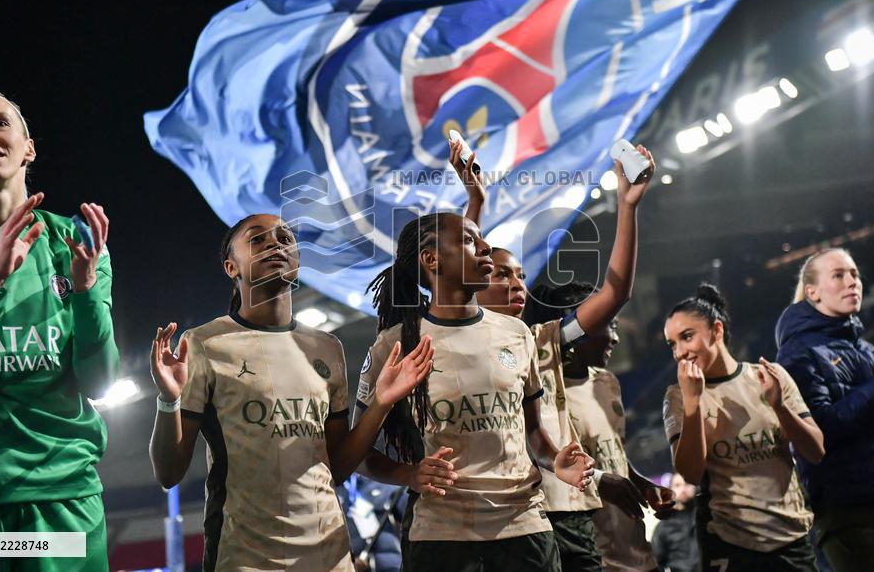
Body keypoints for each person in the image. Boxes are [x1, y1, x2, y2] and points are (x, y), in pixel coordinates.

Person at [149, 213, 433, 571]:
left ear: (297, 262)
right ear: (231, 267)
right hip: (244, 557)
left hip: (328, 556)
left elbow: (338, 466)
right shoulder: (205, 343)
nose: (275, 243)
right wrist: (169, 399)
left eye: (285, 238)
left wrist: (381, 402)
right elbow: (168, 473)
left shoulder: (327, 348)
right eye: (257, 239)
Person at [0, 89, 119, 571]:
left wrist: (86, 289)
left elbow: (99, 381)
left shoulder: (73, 241)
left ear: (27, 146)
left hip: (63, 500)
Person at [453, 136, 666, 570]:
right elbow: (459, 275)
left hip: (564, 514)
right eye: (500, 273)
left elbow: (616, 293)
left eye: (521, 276)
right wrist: (474, 203)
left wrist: (628, 206)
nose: (517, 284)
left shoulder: (539, 340)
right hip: (492, 521)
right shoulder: (450, 343)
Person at [354, 212, 595, 572]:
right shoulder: (396, 345)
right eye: (470, 240)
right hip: (441, 534)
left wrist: (554, 459)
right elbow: (356, 451)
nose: (486, 247)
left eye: (480, 237)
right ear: (431, 259)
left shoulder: (516, 333)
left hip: (524, 525)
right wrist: (408, 474)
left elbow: (532, 433)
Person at [776, 247, 874, 572]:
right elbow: (819, 432)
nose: (852, 282)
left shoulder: (867, 349)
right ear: (812, 291)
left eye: (855, 274)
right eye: (839, 275)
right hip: (853, 513)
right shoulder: (798, 354)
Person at [663, 283, 825, 571]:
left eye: (687, 337)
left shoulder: (769, 376)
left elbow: (816, 450)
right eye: (672, 344)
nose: (680, 352)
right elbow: (690, 472)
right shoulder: (678, 396)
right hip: (729, 543)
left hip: (791, 537)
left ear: (717, 330)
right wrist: (693, 403)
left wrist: (779, 406)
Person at [530, 287, 673, 571]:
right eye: (610, 326)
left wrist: (643, 485)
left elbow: (613, 454)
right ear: (578, 327)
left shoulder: (607, 382)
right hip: (592, 555)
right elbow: (547, 465)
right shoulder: (541, 393)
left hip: (637, 550)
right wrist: (599, 480)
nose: (616, 338)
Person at [651, 473, 699, 572]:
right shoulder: (664, 526)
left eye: (687, 484)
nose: (683, 489)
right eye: (677, 485)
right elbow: (655, 562)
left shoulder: (708, 517)